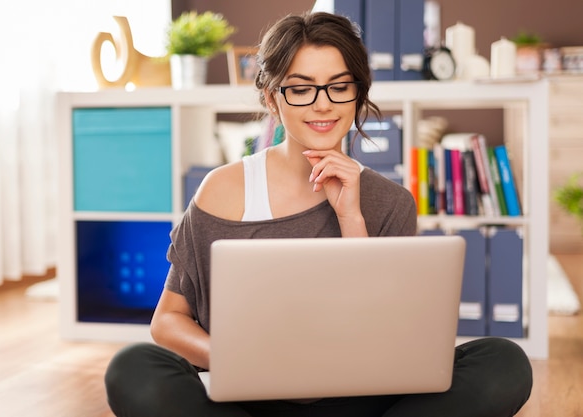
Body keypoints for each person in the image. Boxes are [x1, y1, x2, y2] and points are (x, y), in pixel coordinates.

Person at [105, 11, 532, 417]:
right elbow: (168, 321)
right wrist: (236, 362)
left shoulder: (390, 202)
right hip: (247, 398)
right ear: (273, 99)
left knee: (504, 362)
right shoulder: (223, 190)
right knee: (134, 369)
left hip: (362, 397)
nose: (323, 104)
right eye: (301, 87)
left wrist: (352, 219)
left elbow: (384, 334)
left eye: (339, 86)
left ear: (357, 94)